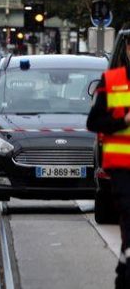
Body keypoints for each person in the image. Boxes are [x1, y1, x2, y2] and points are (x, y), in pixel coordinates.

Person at [87, 41, 130, 288]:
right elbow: (94, 122)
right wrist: (122, 121)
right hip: (122, 167)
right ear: (127, 50)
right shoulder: (112, 80)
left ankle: (123, 270)